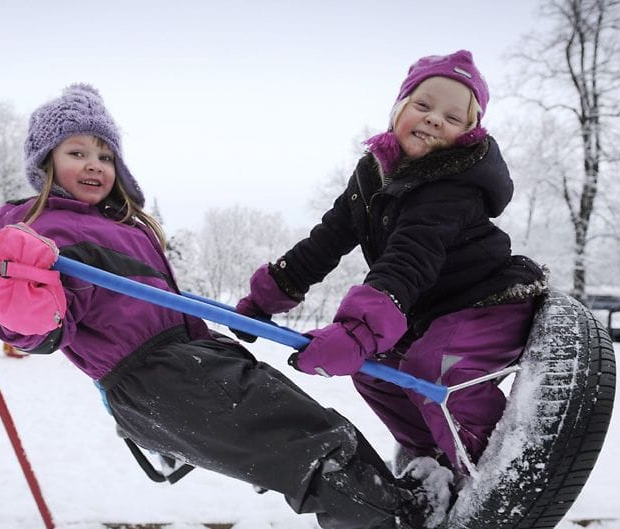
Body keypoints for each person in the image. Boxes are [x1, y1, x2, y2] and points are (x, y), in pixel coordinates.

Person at [0, 84, 451, 529]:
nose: (94, 164)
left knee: (309, 419)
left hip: (191, 354)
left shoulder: (122, 225)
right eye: (77, 152)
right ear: (46, 164)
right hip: (156, 375)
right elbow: (34, 331)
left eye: (105, 155)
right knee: (303, 441)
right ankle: (398, 521)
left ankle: (393, 502)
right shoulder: (41, 233)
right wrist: (22, 286)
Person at [234, 50, 546, 471]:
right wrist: (266, 297)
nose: (435, 118)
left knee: (434, 368)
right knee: (373, 367)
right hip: (431, 313)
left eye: (454, 118)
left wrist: (360, 329)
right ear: (398, 108)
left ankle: (493, 469)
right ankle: (431, 458)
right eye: (423, 105)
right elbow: (327, 240)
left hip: (489, 303)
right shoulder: (371, 177)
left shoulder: (453, 186)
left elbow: (410, 258)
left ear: (469, 135)